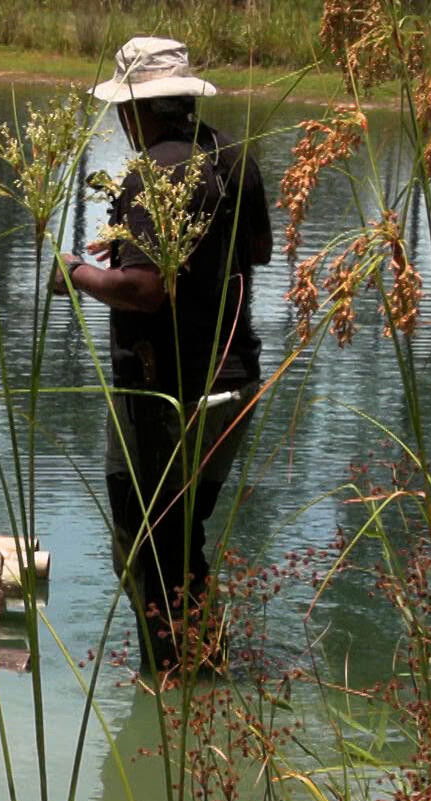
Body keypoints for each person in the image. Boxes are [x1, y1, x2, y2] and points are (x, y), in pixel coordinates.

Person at [50, 37, 273, 674]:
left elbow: (144, 291)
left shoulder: (154, 172)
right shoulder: (232, 154)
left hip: (166, 391)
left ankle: (181, 677)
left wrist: (76, 273)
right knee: (178, 538)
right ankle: (198, 676)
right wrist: (131, 238)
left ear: (134, 111)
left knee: (146, 539)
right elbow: (255, 249)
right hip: (234, 382)